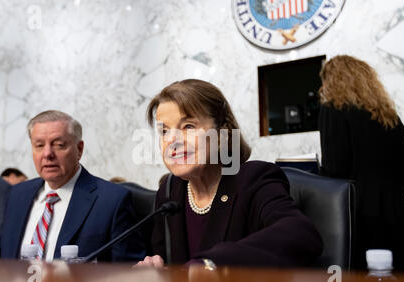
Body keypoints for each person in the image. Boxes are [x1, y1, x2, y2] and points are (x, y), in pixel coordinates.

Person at [136, 79, 323, 268]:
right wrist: (154, 270)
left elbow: (300, 234)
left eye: (189, 127)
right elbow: (168, 265)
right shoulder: (169, 191)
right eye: (164, 131)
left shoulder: (254, 179)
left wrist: (212, 265)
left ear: (221, 133)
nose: (172, 141)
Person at [0, 110, 145, 262]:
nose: (47, 154)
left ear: (79, 149)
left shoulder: (111, 200)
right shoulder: (18, 194)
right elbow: (5, 249)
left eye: (58, 145)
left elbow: (128, 271)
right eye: (39, 145)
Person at [318, 55, 404, 271]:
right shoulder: (388, 115)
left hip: (359, 217)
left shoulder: (333, 109)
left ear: (332, 80)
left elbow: (335, 169)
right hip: (399, 213)